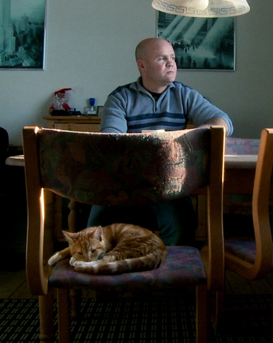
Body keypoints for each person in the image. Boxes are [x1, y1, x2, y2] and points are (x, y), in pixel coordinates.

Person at [88, 37, 233, 246]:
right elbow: (111, 140)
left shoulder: (184, 94)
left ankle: (171, 267)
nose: (171, 63)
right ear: (142, 66)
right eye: (161, 59)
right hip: (125, 182)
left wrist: (191, 136)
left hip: (170, 184)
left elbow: (224, 122)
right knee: (94, 236)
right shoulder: (120, 97)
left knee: (181, 230)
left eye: (172, 57)